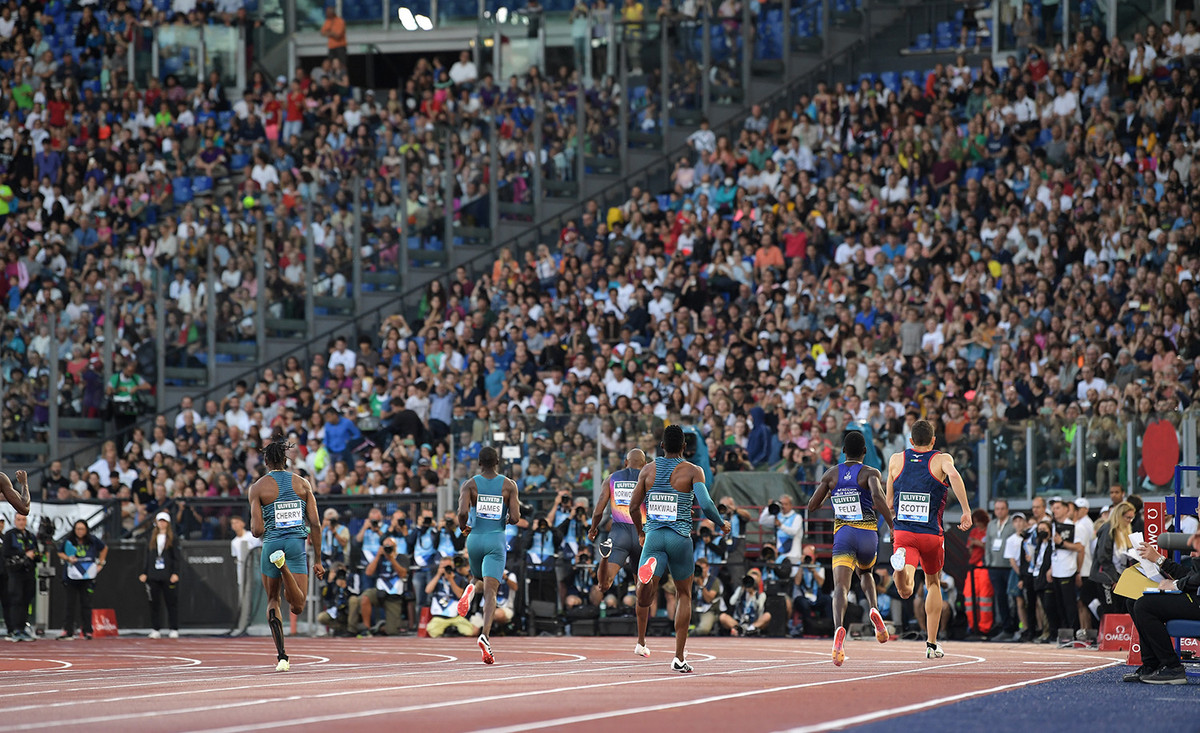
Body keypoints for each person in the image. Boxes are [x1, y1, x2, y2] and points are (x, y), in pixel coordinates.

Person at [629, 424, 728, 673]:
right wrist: (721, 523)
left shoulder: (648, 469)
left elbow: (632, 507)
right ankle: (679, 657)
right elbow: (705, 504)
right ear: (685, 447)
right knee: (684, 594)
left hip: (653, 536)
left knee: (645, 596)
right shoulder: (693, 471)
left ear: (661, 446)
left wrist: (641, 531)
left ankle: (646, 582)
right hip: (679, 537)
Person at [885, 419, 973, 659]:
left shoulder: (896, 459)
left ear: (910, 441)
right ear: (934, 440)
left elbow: (889, 503)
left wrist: (891, 522)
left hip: (904, 532)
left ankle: (901, 569)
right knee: (933, 583)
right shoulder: (942, 459)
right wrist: (966, 510)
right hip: (931, 534)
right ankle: (932, 643)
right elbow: (954, 476)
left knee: (906, 591)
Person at [807, 430, 895, 665]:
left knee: (841, 588)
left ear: (843, 451)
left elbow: (812, 506)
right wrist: (892, 526)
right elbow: (877, 497)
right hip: (867, 533)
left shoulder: (831, 474)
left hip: (844, 534)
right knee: (866, 573)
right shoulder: (870, 473)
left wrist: (832, 493)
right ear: (865, 451)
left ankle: (838, 630)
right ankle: (874, 608)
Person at [248, 429, 325, 671]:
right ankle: (285, 569)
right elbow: (315, 523)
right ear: (285, 460)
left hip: (271, 544)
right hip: (295, 545)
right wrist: (319, 560)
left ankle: (282, 656)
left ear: (266, 462)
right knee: (297, 606)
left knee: (273, 600)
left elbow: (257, 530)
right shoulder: (303, 484)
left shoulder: (257, 488)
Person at [455, 446, 521, 664]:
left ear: (479, 463)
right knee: (491, 592)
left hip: (474, 538)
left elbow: (462, 512)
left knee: (476, 577)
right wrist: (504, 519)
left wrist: (464, 528)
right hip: (495, 538)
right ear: (498, 462)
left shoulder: (470, 484)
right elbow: (516, 517)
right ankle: (485, 635)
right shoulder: (509, 485)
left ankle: (471, 587)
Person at [1123, 541, 1200, 684]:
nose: (1191, 554)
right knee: (1134, 600)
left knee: (1144, 606)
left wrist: (1175, 584)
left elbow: (1196, 578)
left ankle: (1172, 667)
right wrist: (1160, 561)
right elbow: (1191, 575)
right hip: (1195, 596)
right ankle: (1152, 665)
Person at [587, 449, 648, 594]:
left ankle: (605, 557)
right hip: (642, 535)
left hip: (619, 534)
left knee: (604, 584)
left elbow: (598, 511)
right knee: (642, 591)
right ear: (645, 464)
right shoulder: (649, 479)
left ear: (625, 462)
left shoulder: (611, 478)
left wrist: (593, 529)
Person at [57, 520, 107, 640]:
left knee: (86, 604)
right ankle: (68, 630)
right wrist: (68, 558)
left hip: (87, 576)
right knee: (70, 604)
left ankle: (87, 630)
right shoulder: (69, 541)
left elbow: (104, 548)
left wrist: (100, 563)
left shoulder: (93, 540)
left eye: (82, 529)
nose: (80, 531)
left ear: (86, 530)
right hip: (71, 576)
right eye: (78, 529)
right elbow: (60, 552)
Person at [138, 512, 183, 639]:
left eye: (164, 521)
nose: (162, 523)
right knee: (154, 603)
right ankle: (155, 628)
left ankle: (173, 628)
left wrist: (175, 573)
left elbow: (176, 557)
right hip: (153, 575)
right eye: (160, 521)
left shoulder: (173, 538)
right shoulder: (151, 538)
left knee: (171, 603)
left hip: (168, 575)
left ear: (168, 523)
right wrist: (145, 572)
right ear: (156, 523)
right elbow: (147, 557)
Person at [3, 513, 39, 641]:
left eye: (23, 519)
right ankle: (14, 629)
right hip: (15, 572)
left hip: (29, 572)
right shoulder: (9, 535)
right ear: (14, 521)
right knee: (16, 600)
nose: (21, 522)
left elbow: (37, 553)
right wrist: (25, 554)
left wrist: (37, 555)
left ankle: (22, 628)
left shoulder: (30, 536)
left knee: (26, 600)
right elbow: (6, 552)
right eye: (19, 519)